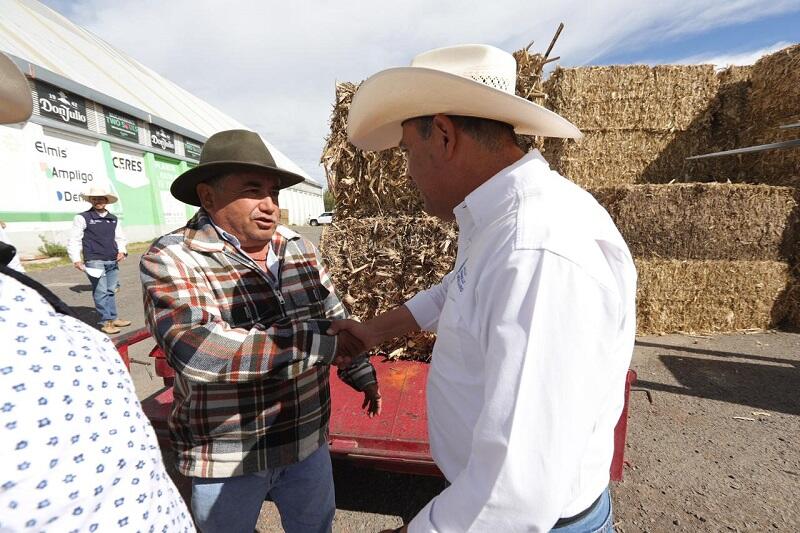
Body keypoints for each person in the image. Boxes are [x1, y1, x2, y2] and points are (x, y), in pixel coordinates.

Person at [330, 44, 638, 532]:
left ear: (445, 135)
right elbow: (458, 288)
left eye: (409, 150)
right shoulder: (499, 222)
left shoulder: (537, 249)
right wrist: (372, 332)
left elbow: (517, 492)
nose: (408, 172)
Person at [139, 129, 380, 533]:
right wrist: (321, 343)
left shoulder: (296, 246)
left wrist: (359, 370)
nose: (270, 206)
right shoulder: (171, 258)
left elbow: (331, 310)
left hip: (305, 440)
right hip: (229, 454)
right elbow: (199, 351)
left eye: (275, 193)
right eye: (253, 191)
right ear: (208, 196)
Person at [0, 51, 195, 533]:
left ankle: (105, 315)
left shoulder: (108, 222)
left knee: (109, 286)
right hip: (95, 258)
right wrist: (80, 257)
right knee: (103, 294)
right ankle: (106, 316)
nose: (103, 205)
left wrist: (117, 253)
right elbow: (75, 241)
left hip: (111, 257)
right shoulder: (85, 221)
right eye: (100, 200)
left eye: (106, 201)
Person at [67, 186, 131, 334]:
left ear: (106, 201)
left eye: (101, 198)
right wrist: (76, 259)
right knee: (100, 291)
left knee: (110, 291)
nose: (98, 201)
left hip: (112, 260)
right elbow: (74, 239)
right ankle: (106, 322)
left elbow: (120, 237)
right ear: (90, 200)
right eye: (94, 198)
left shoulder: (113, 219)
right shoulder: (82, 218)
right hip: (94, 260)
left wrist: (122, 251)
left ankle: (113, 318)